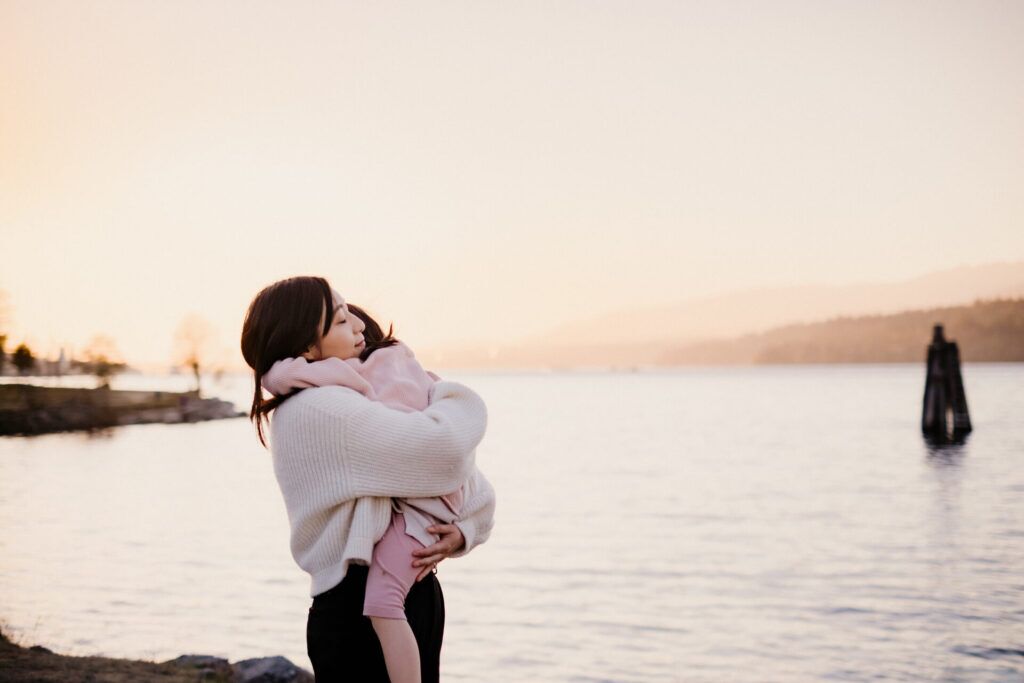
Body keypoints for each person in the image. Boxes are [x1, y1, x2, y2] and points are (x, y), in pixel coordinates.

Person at [240, 276, 496, 682]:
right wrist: (448, 394)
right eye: (341, 320)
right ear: (307, 346)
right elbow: (446, 452)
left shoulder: (353, 398)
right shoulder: (321, 410)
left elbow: (467, 479)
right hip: (357, 608)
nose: (358, 327)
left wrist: (466, 529)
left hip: (410, 593)